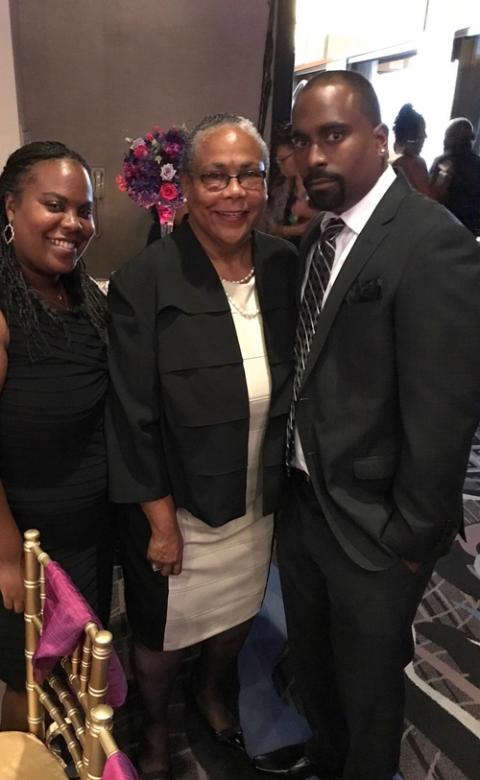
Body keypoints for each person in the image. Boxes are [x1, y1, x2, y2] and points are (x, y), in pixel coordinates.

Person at [253, 71, 480, 780]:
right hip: (307, 508)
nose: (313, 155)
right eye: (300, 140)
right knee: (317, 675)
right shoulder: (323, 235)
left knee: (369, 696)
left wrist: (409, 543)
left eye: (333, 135)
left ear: (378, 140)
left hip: (377, 533)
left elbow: (444, 412)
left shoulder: (429, 241)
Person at [106, 113, 297, 779]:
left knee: (239, 612)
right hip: (179, 507)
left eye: (249, 174)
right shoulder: (147, 279)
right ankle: (156, 726)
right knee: (160, 635)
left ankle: (212, 691)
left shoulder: (282, 265)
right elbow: (130, 412)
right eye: (215, 176)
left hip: (255, 493)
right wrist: (159, 520)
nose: (234, 191)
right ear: (184, 186)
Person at [0, 141, 113, 730]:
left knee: (73, 677)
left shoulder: (81, 295)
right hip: (25, 549)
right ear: (11, 208)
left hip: (86, 535)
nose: (73, 223)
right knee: (27, 683)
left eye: (84, 209)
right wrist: (6, 556)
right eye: (54, 205)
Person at [259, 123, 316, 247]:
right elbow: (271, 225)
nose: (280, 166)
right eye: (278, 161)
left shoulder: (320, 184)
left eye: (283, 160)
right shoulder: (281, 185)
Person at [430, 117, 480, 236]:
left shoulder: (442, 162)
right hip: (470, 231)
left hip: (443, 228)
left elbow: (430, 197)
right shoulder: (478, 164)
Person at [391, 103, 431, 196]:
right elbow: (429, 201)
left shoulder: (392, 160)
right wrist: (443, 177)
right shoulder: (415, 164)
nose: (425, 136)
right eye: (423, 131)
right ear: (414, 134)